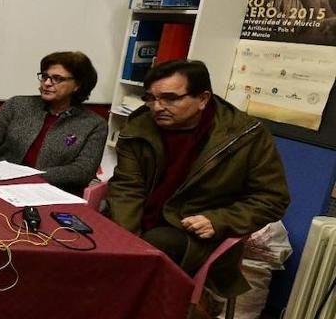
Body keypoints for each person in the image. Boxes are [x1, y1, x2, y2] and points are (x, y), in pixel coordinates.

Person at [107, 59, 289, 296]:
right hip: (140, 219)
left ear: (203, 99)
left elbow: (272, 199)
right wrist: (126, 240)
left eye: (170, 98)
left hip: (196, 233)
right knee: (95, 239)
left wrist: (219, 220)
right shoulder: (139, 126)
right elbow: (127, 187)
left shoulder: (245, 136)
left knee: (155, 247)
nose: (157, 107)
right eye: (150, 98)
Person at [0, 51, 107, 195]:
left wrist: (30, 177)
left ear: (77, 85)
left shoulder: (94, 124)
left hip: (52, 194)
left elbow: (82, 171)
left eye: (57, 79)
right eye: (45, 77)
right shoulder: (17, 105)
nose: (47, 83)